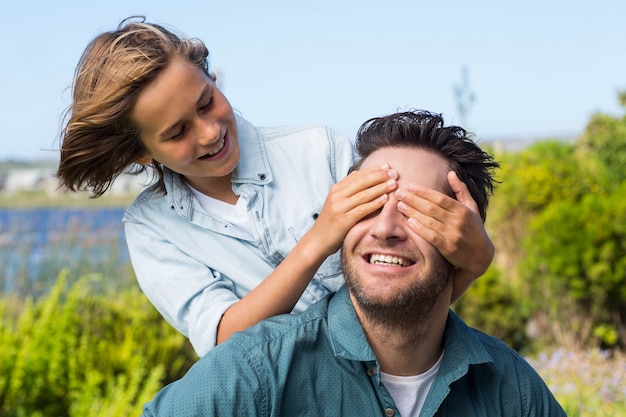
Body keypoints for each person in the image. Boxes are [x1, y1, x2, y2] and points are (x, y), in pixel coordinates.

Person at [56, 18, 494, 356]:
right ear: (142, 154)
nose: (209, 132)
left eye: (207, 102)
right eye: (177, 133)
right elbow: (226, 338)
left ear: (211, 79)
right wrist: (317, 241)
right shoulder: (151, 228)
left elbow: (404, 291)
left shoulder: (318, 150)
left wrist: (473, 262)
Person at [140, 110, 566, 417]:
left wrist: (476, 261)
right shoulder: (254, 374)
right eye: (369, 202)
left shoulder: (512, 390)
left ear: (459, 239)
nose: (385, 227)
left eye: (417, 211)